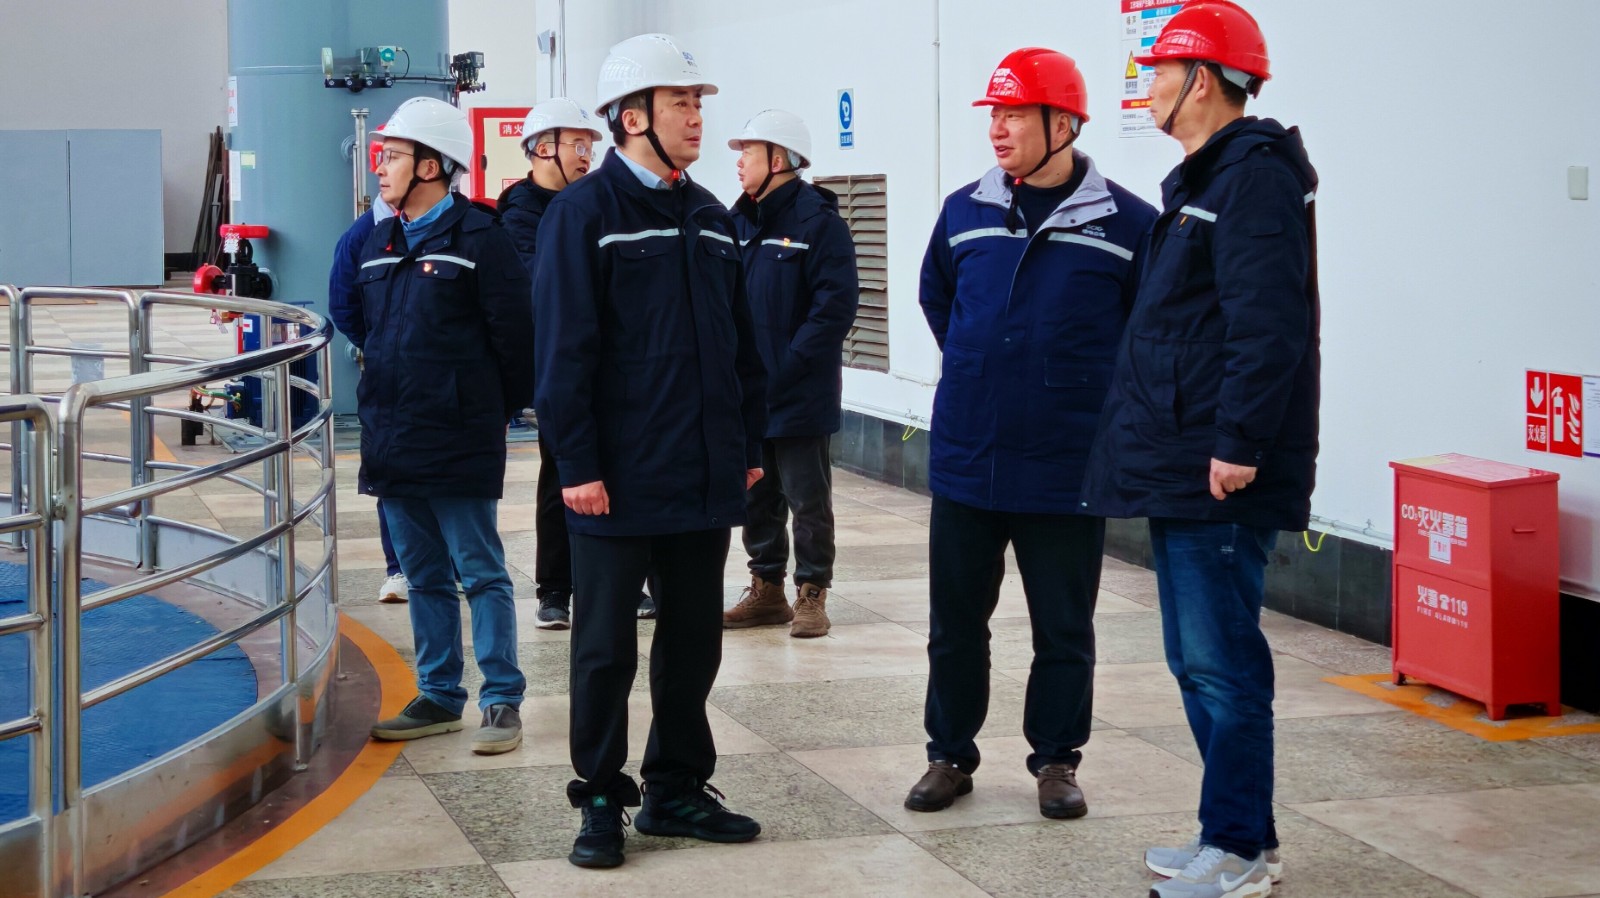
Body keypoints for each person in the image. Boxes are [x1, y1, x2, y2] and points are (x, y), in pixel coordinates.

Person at [1082, 3, 1319, 895]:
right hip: (1184, 461)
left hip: (1220, 468)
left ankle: (1241, 849)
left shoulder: (1251, 179)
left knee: (1223, 665)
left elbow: (1269, 324)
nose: (1146, 87)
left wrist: (1240, 443)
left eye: (1158, 71)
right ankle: (1236, 832)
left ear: (1204, 80)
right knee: (1195, 661)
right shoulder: (1207, 180)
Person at [533, 34, 768, 870]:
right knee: (604, 650)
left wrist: (745, 445)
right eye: (680, 103)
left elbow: (742, 346)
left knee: (694, 643)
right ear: (632, 118)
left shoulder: (709, 214)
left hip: (701, 475)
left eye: (698, 103)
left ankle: (675, 787)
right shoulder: (583, 215)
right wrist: (578, 465)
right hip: (617, 480)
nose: (697, 117)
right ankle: (600, 794)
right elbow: (563, 354)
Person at [906, 48, 1156, 823]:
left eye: (1014, 114)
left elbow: (1145, 333)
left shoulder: (1129, 224)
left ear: (1064, 124)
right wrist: (983, 371)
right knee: (955, 625)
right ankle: (949, 754)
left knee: (1064, 627)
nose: (998, 129)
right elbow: (939, 299)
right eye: (995, 114)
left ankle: (1056, 760)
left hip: (1066, 464)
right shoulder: (964, 211)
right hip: (968, 456)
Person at [357, 96, 534, 756]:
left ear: (431, 166)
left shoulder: (481, 239)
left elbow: (517, 341)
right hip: (393, 437)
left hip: (459, 436)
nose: (380, 167)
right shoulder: (379, 239)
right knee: (423, 575)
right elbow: (365, 324)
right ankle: (437, 694)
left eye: (393, 155)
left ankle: (501, 699)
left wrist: (484, 411)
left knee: (480, 571)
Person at [721, 109, 858, 638]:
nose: (739, 163)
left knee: (807, 499)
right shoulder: (736, 223)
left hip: (800, 392)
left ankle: (812, 592)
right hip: (749, 394)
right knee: (757, 497)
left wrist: (785, 367)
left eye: (748, 153)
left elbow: (833, 308)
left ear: (779, 159)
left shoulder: (819, 224)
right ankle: (766, 589)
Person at [496, 97, 606, 631]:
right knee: (560, 473)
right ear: (543, 149)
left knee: (615, 473)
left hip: (605, 362)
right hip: (557, 367)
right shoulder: (518, 216)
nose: (587, 155)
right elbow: (541, 284)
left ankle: (620, 581)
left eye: (590, 146)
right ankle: (555, 589)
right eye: (576, 145)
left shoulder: (595, 206)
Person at [327, 128, 409, 605]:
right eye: (382, 157)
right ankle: (399, 568)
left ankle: (451, 565)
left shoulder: (464, 229)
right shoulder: (360, 238)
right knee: (392, 475)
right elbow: (343, 306)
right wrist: (380, 346)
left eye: (393, 157)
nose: (381, 168)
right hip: (388, 379)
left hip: (447, 380)